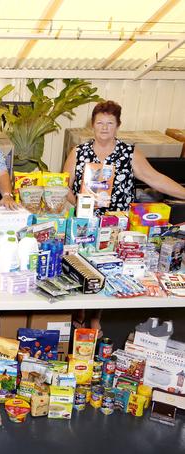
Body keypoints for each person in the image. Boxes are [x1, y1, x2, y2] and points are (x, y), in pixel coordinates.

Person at [63, 100, 185, 332]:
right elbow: (64, 185)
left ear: (118, 125)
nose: (105, 128)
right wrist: (79, 203)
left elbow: (156, 179)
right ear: (92, 125)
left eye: (110, 123)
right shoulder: (78, 152)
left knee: (110, 271)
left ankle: (97, 320)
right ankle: (78, 317)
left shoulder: (129, 153)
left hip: (117, 226)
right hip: (84, 226)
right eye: (100, 123)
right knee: (82, 270)